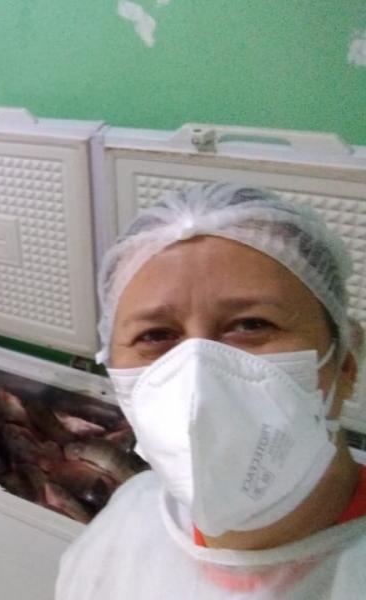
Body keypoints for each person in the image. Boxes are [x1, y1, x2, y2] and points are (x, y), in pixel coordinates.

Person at [56, 182, 366, 599]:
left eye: (251, 324)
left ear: (345, 363)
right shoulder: (127, 524)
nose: (198, 377)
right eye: (155, 335)